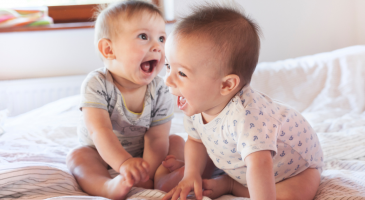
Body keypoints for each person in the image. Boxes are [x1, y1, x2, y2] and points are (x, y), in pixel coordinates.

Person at [161, 3, 324, 200]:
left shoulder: (248, 118)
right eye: (168, 66)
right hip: (239, 158)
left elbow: (260, 166)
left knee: (293, 196)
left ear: (227, 85)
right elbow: (196, 140)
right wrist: (191, 174)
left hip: (296, 168)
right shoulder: (196, 104)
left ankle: (231, 185)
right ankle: (217, 175)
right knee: (201, 161)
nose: (167, 79)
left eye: (181, 73)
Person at [65, 1, 185, 200]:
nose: (157, 46)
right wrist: (123, 163)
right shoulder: (97, 84)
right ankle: (105, 186)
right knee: (77, 156)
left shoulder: (161, 89)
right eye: (144, 36)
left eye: (162, 38)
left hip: (144, 152)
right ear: (108, 50)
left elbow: (157, 138)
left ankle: (163, 178)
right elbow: (99, 131)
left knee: (176, 141)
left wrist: (146, 172)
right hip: (100, 151)